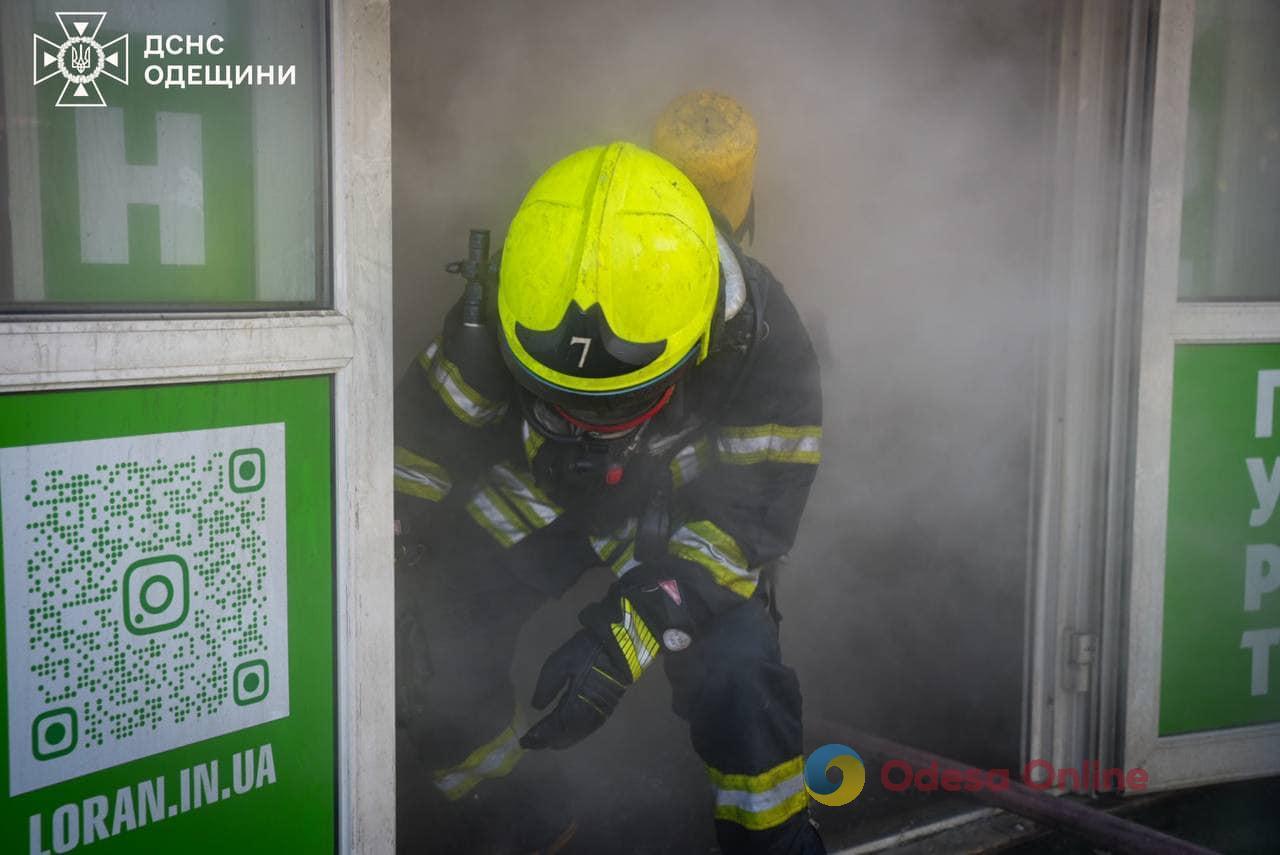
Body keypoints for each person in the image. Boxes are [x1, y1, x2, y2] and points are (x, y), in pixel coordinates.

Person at [394, 138, 825, 854]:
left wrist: (630, 630)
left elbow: (752, 521)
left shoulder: (761, 341)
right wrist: (396, 568)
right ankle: (516, 818)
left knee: (740, 674)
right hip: (540, 499)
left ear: (696, 344)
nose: (587, 421)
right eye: (561, 399)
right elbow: (418, 454)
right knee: (437, 645)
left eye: (616, 402)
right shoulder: (505, 303)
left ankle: (776, 842)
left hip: (687, 522)